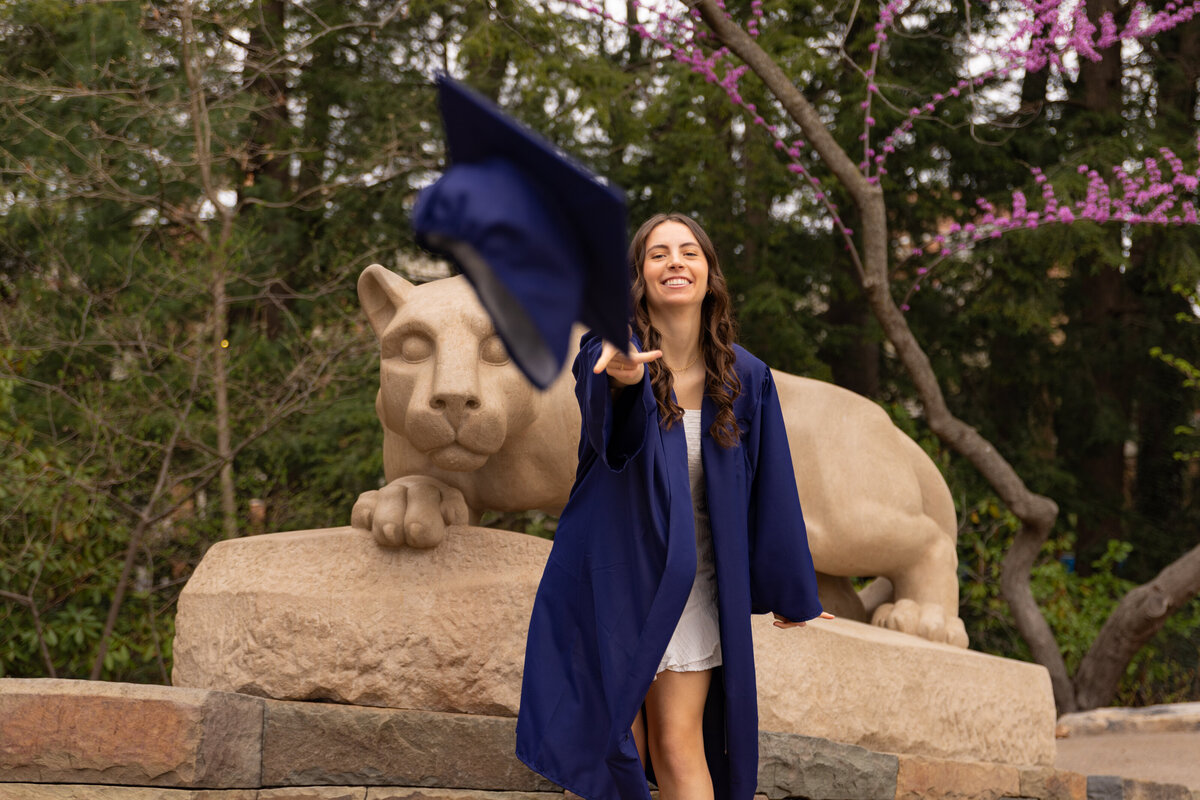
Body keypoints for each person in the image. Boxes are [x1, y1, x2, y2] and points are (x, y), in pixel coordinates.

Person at [516, 213, 832, 800]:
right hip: (608, 579)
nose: (675, 262)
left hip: (693, 587)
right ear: (639, 276)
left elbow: (771, 484)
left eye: (689, 252)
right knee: (618, 744)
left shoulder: (745, 377)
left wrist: (793, 592)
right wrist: (621, 379)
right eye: (658, 254)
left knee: (678, 740)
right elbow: (604, 423)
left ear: (709, 274)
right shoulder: (608, 350)